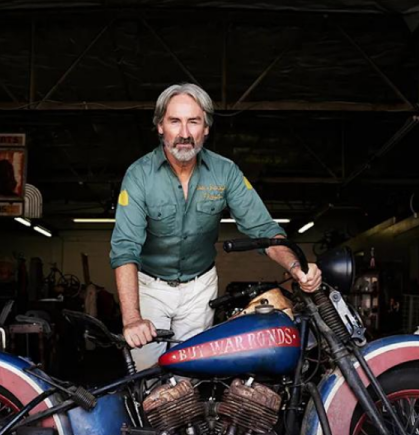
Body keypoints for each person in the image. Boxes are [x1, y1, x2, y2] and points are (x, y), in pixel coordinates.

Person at [110, 83, 322, 370]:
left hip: (199, 289)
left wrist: (296, 268)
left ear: (206, 128)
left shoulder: (225, 172)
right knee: (147, 381)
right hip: (149, 287)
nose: (184, 133)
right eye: (175, 121)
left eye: (193, 121)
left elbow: (264, 229)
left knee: (192, 377)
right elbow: (125, 248)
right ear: (160, 126)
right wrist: (132, 319)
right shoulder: (139, 175)